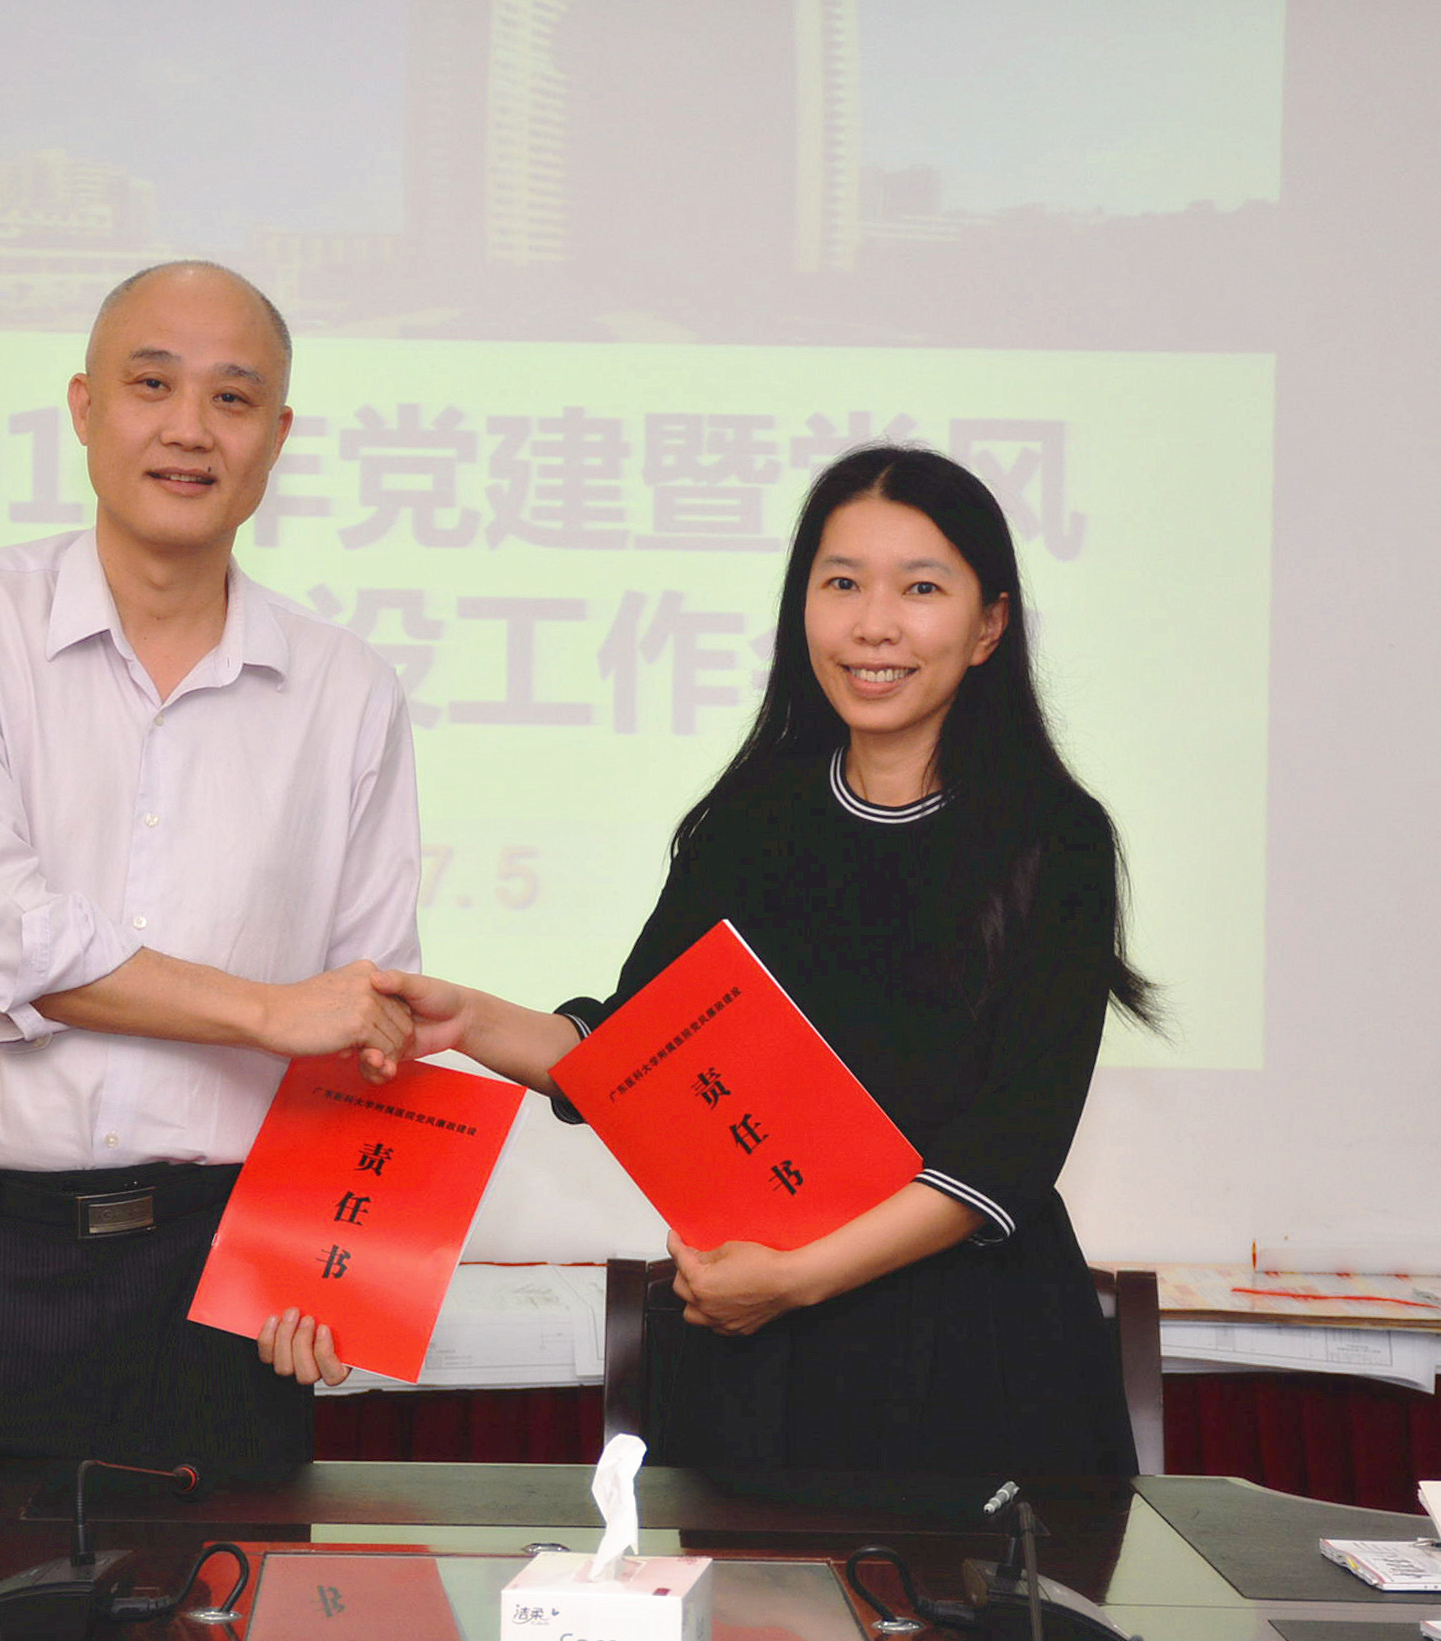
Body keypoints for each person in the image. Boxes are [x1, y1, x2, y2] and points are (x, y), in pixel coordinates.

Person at [378, 445, 1158, 1475]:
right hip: (764, 1357)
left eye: (921, 588)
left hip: (973, 1359)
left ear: (988, 627)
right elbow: (635, 1053)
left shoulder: (1052, 839)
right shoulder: (753, 820)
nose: (873, 625)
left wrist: (798, 1279)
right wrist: (468, 1020)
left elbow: (1010, 1150)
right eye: (842, 584)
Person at [0, 262, 415, 1482]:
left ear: (279, 437)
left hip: (218, 1281)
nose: (190, 429)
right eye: (151, 385)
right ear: (85, 408)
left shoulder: (347, 689)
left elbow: (368, 1011)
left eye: (233, 398)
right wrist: (266, 1011)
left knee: (224, 1586)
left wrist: (328, 1267)